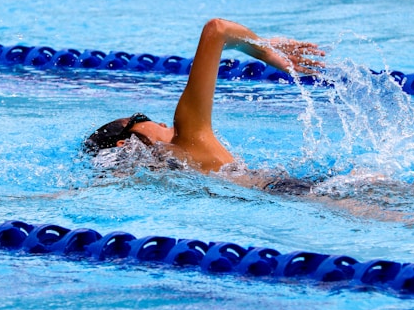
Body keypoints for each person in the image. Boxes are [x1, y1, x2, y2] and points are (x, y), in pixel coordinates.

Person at [84, 18, 324, 191]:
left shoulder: (173, 177)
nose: (160, 121)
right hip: (297, 191)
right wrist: (267, 51)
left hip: (288, 194)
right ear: (125, 144)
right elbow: (217, 29)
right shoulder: (187, 135)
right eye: (139, 118)